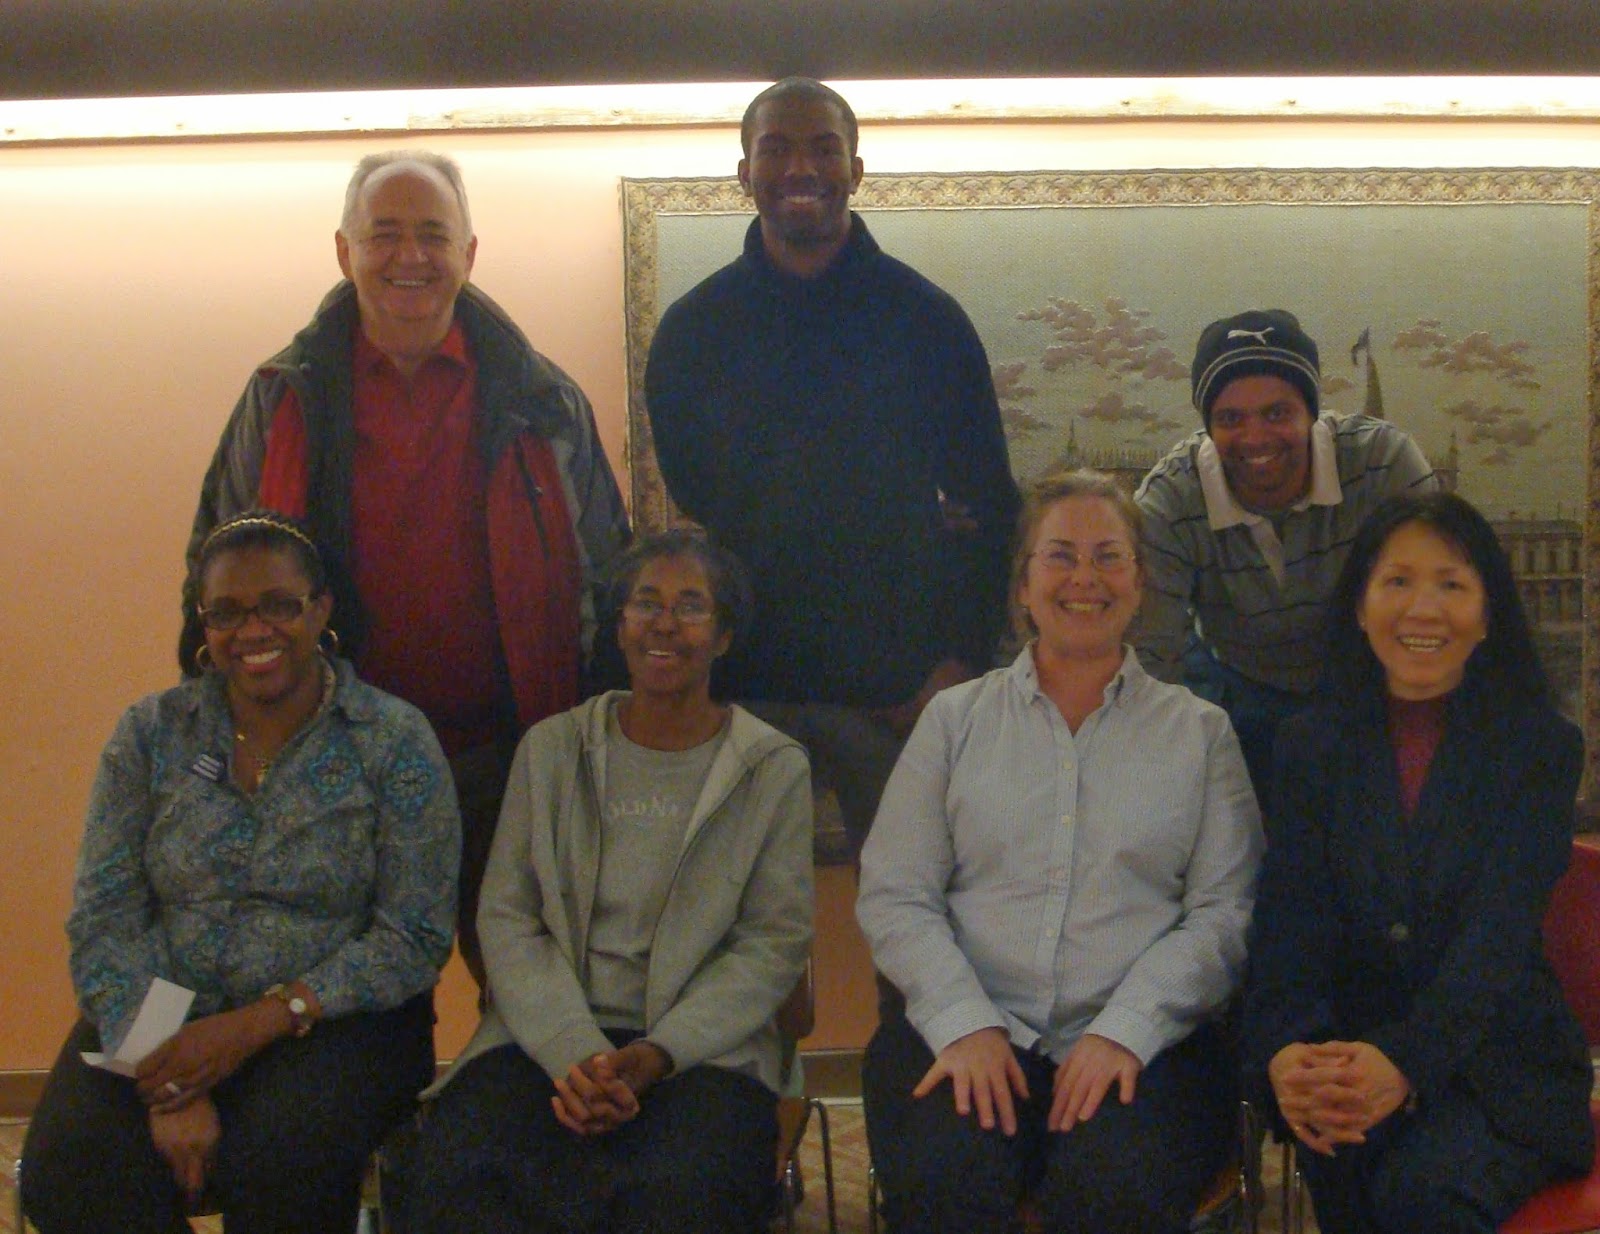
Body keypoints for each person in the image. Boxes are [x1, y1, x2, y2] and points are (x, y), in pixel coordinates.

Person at [187, 149, 629, 986]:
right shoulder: (281, 397)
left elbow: (607, 579)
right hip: (332, 763)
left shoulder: (544, 399)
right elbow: (213, 571)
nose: (410, 255)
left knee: (535, 991)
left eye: (433, 233)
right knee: (350, 1004)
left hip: (511, 760)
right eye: (383, 233)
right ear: (343, 251)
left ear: (470, 253)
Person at [21, 510, 459, 1234]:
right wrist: (171, 1081)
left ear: (320, 608)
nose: (253, 631)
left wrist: (257, 1024)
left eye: (279, 605)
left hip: (333, 1020)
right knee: (71, 1166)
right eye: (226, 612)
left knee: (281, 1160)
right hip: (160, 1010)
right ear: (203, 623)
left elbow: (414, 934)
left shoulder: (392, 738)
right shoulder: (150, 734)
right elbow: (104, 916)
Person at [857, 471, 1262, 1233]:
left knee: (1109, 1197)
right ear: (1023, 583)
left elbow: (1224, 914)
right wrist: (964, 1021)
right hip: (972, 1026)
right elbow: (896, 894)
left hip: (1148, 1043)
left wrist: (1126, 1029)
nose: (1085, 578)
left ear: (1140, 583)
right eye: (1060, 556)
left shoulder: (1200, 733)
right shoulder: (954, 721)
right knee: (949, 1186)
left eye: (1109, 556)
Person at [385, 529, 814, 1234]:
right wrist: (576, 1050)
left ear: (725, 637)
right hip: (543, 1039)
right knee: (459, 1185)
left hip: (702, 1052)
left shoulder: (772, 768)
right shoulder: (552, 749)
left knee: (678, 1199)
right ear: (619, 626)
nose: (664, 624)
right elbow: (508, 919)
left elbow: (772, 944)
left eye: (690, 606)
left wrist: (656, 1054)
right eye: (645, 602)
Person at [644, 76, 1020, 856]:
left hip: (899, 696)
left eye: (823, 148)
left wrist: (959, 662)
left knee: (913, 907)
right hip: (745, 689)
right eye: (775, 149)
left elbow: (989, 505)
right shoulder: (692, 332)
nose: (800, 168)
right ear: (744, 172)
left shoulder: (928, 321)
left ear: (856, 169)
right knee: (739, 913)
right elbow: (696, 497)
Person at [1242, 491, 1594, 1234]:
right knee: (1348, 1162)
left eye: (1452, 584)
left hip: (1498, 1074)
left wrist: (1403, 1062)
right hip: (1349, 1065)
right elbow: (1289, 921)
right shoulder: (1309, 746)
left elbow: (1495, 944)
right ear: (1360, 606)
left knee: (1420, 1198)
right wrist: (1287, 1051)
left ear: (1488, 614)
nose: (1422, 609)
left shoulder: (1540, 749)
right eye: (1397, 581)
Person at [1133, 308, 1437, 801]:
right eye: (1231, 419)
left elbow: (1438, 609)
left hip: (1363, 684)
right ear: (1207, 425)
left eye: (1277, 413)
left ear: (1312, 412)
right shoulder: (1167, 501)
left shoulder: (1385, 462)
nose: (1255, 437)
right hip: (1231, 684)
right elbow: (1152, 661)